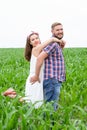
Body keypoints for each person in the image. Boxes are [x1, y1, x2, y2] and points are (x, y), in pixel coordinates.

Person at [23, 31, 65, 108]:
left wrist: (61, 45)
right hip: (35, 77)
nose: (36, 40)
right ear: (30, 43)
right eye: (33, 40)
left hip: (39, 76)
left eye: (37, 38)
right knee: (34, 102)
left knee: (33, 100)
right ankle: (12, 95)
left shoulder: (41, 50)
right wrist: (58, 40)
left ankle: (12, 95)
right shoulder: (36, 49)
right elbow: (51, 40)